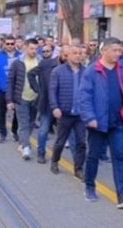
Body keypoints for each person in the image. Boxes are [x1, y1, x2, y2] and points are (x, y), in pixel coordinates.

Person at [80, 37, 123, 209]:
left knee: (119, 157)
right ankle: (89, 186)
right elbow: (84, 97)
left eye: (119, 50)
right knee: (94, 156)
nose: (118, 53)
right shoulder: (92, 71)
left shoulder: (122, 70)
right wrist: (89, 118)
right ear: (103, 51)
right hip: (98, 122)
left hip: (118, 121)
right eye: (114, 50)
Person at [49, 46, 87, 178]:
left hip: (80, 114)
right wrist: (55, 107)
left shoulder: (86, 72)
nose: (77, 56)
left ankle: (79, 168)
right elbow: (52, 90)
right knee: (60, 141)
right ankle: (55, 160)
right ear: (68, 55)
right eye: (74, 53)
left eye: (79, 53)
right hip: (64, 112)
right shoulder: (58, 71)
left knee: (81, 142)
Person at [7, 38, 41, 161]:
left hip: (36, 98)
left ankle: (23, 142)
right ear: (25, 48)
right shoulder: (17, 62)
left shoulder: (40, 61)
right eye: (31, 48)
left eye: (36, 49)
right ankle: (26, 147)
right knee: (24, 123)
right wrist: (9, 100)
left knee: (31, 122)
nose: (34, 51)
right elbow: (10, 81)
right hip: (21, 98)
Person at [27, 43, 59, 163]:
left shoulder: (62, 64)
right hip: (47, 102)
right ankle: (41, 153)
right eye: (44, 51)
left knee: (63, 133)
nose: (46, 53)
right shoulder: (44, 64)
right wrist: (38, 89)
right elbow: (30, 74)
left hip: (61, 104)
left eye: (48, 51)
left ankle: (59, 157)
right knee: (44, 129)